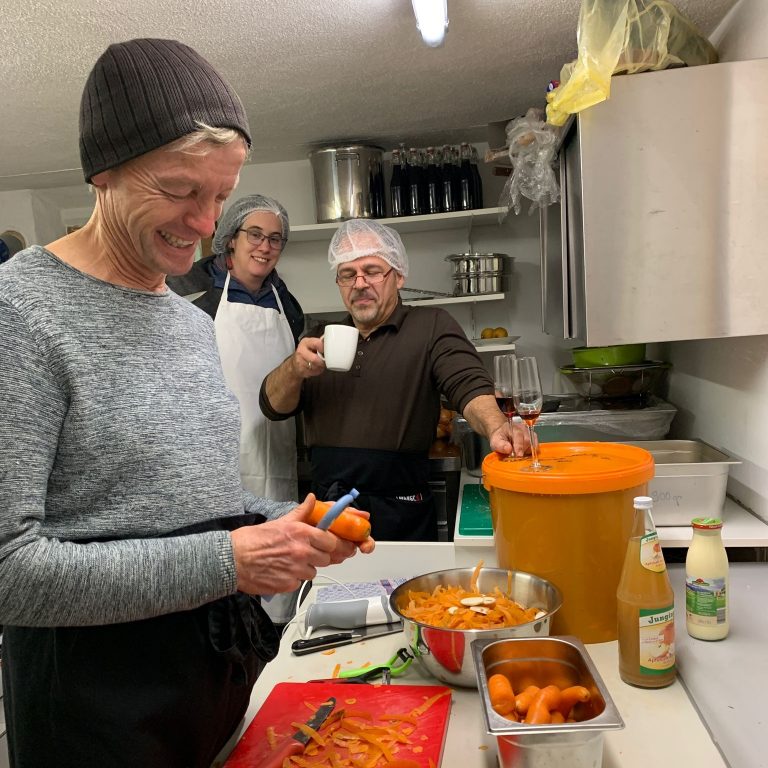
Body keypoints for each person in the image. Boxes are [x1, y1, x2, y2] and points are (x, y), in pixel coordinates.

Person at [0, 38, 372, 768]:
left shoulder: (186, 321)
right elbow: (10, 571)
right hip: (96, 705)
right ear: (103, 172)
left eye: (222, 196)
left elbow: (193, 502)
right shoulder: (20, 313)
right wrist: (229, 562)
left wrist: (282, 522)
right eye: (179, 190)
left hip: (211, 670)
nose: (206, 224)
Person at [260, 218, 530, 541]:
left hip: (402, 513)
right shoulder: (320, 338)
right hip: (329, 513)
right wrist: (294, 368)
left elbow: (468, 383)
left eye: (372, 271)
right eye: (348, 274)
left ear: (399, 276)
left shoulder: (430, 326)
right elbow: (272, 405)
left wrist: (497, 426)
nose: (360, 283)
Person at [167, 195, 303, 502]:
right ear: (231, 239)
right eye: (255, 234)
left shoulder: (288, 305)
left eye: (275, 239)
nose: (265, 247)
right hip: (207, 455)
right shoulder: (186, 292)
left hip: (274, 453)